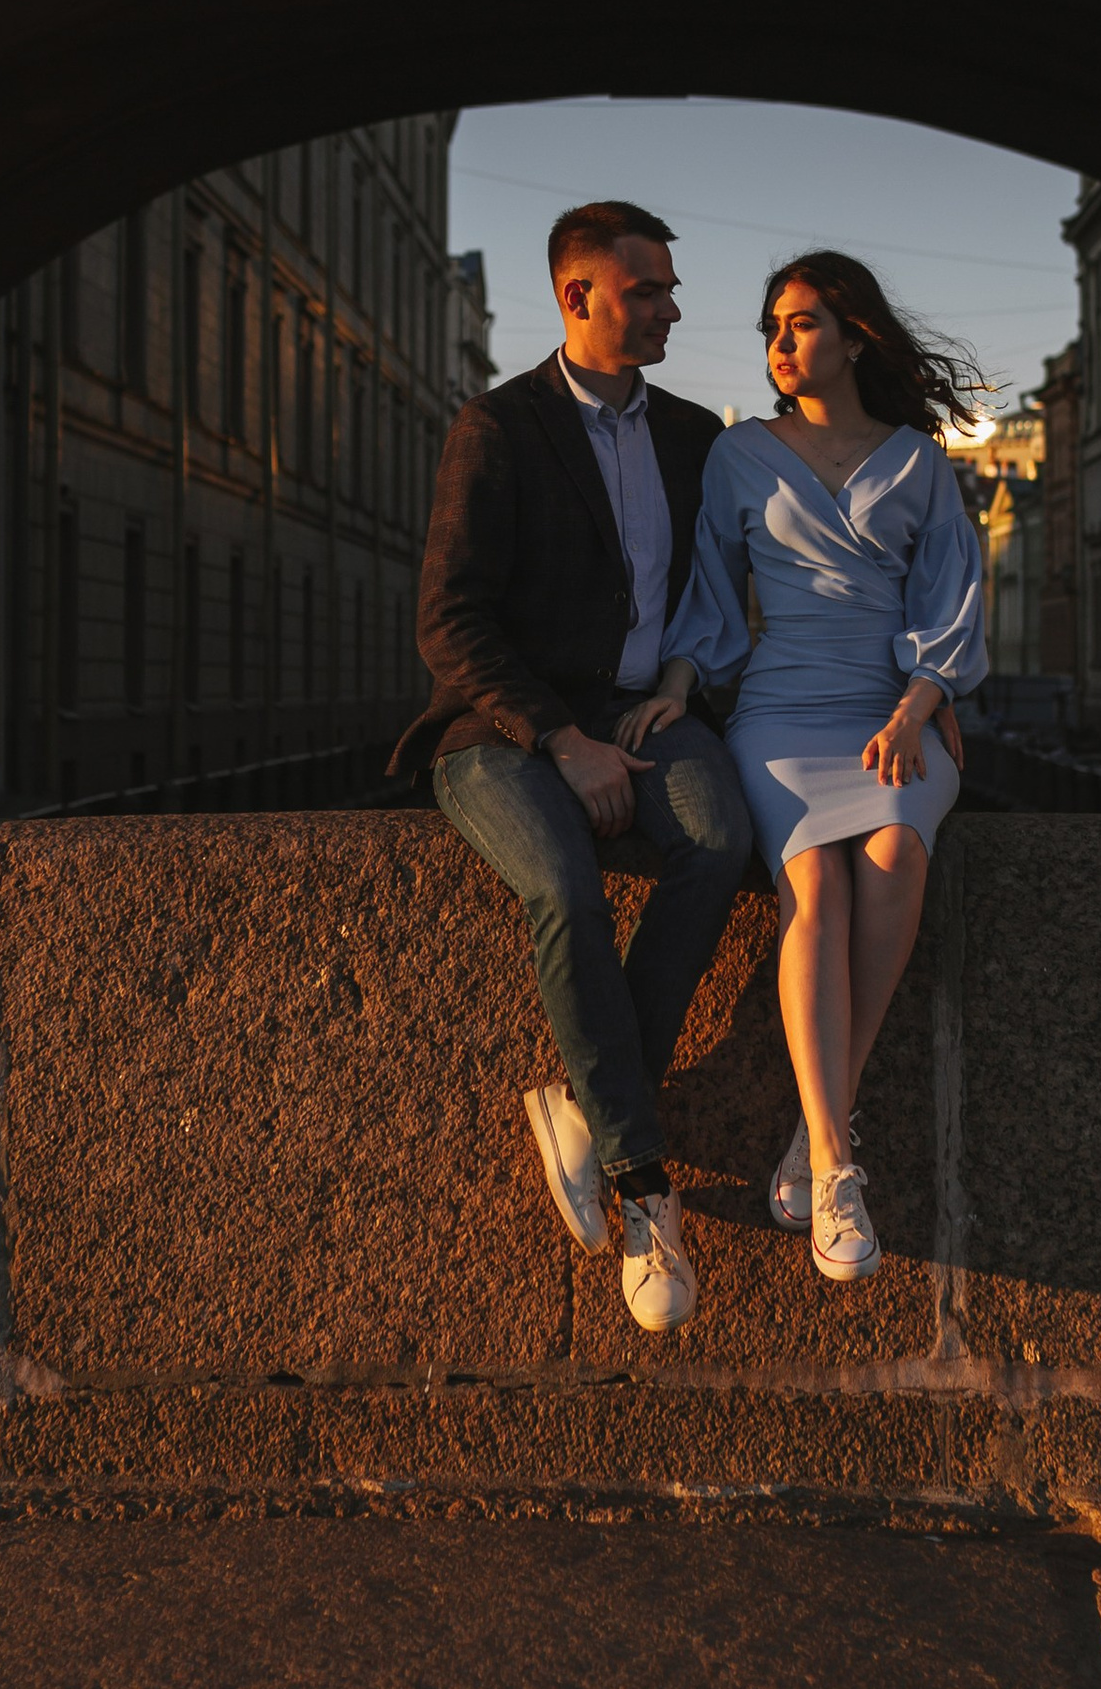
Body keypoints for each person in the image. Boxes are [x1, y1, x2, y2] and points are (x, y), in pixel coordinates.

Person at [393, 201, 753, 1335]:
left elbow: (718, 595)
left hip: (653, 712)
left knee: (717, 841)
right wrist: (560, 736)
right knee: (562, 884)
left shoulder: (699, 436)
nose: (670, 308)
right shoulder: (496, 428)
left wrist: (677, 687)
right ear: (577, 296)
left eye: (667, 290)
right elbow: (449, 621)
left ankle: (591, 1109)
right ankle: (645, 1187)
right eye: (646, 289)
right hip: (502, 731)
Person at [626, 253, 987, 1288]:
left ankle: (815, 1141)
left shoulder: (916, 459)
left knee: (895, 853)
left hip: (892, 713)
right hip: (780, 714)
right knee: (815, 888)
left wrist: (921, 703)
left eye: (799, 324)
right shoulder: (743, 455)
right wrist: (680, 683)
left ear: (853, 335)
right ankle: (834, 1162)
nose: (779, 345)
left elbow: (950, 601)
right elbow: (710, 591)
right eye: (770, 329)